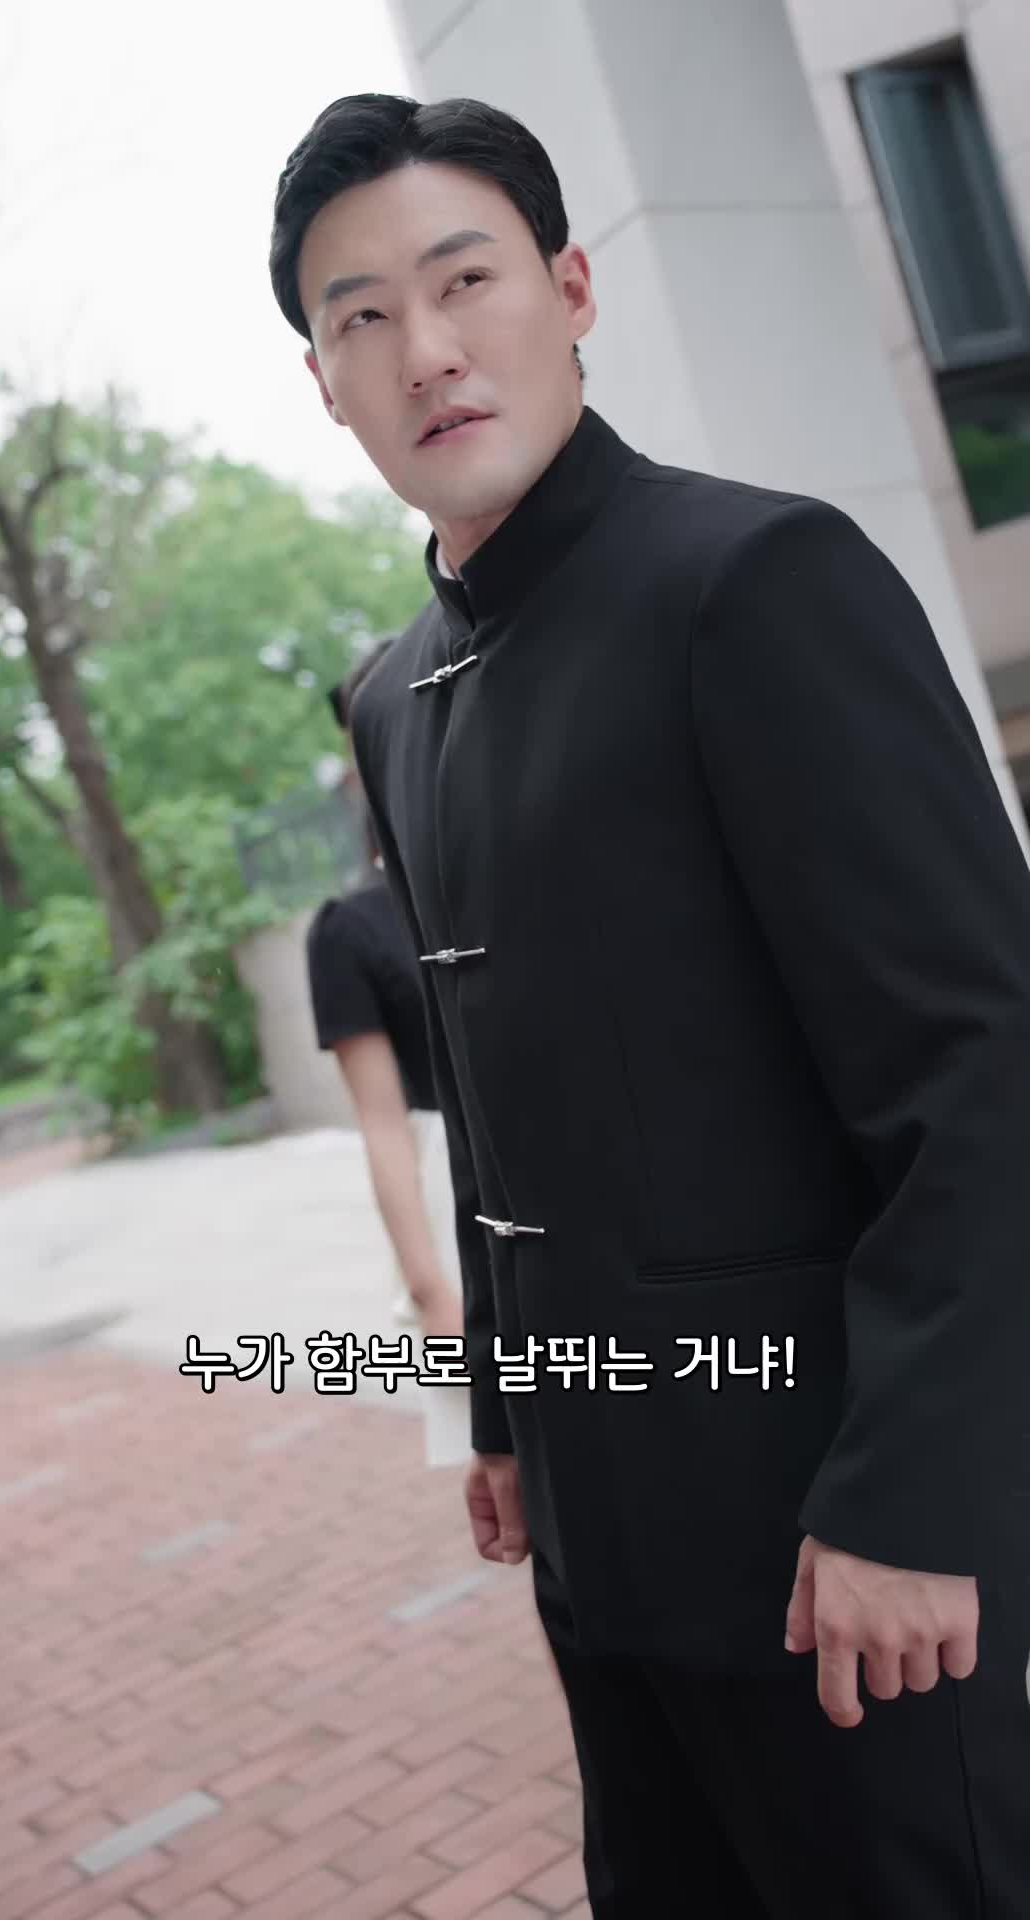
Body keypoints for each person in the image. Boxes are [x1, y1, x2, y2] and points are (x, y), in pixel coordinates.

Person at [268, 92, 1030, 1915]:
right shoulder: (394, 701)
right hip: (602, 1551)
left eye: (467, 280)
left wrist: (914, 1497)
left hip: (841, 1554)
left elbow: (985, 1070)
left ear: (573, 288)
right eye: (364, 316)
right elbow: (487, 1088)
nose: (427, 349)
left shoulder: (753, 582)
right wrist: (508, 1410)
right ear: (324, 380)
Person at [307, 638, 468, 1468]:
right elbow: (382, 1122)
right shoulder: (349, 930)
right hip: (455, 1199)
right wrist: (431, 1292)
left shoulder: (503, 866)